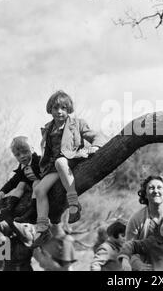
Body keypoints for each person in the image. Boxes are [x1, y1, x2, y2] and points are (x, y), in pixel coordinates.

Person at [32, 90, 107, 247]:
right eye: (55, 108)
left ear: (68, 110)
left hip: (72, 159)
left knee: (61, 162)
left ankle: (74, 204)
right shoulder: (48, 128)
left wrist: (94, 147)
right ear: (50, 110)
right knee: (39, 190)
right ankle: (43, 228)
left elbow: (97, 136)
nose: (59, 111)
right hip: (53, 166)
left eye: (63, 108)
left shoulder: (77, 123)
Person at [125, 175, 163, 270]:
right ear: (145, 194)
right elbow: (130, 249)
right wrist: (138, 264)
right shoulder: (136, 219)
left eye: (159, 187)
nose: (156, 191)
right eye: (151, 188)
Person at [0, 136, 42, 222]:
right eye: (18, 155)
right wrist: (3, 191)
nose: (22, 156)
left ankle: (32, 210)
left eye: (25, 152)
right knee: (21, 184)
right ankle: (9, 208)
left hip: (40, 184)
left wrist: (39, 176)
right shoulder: (22, 167)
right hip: (28, 186)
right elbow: (13, 181)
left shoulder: (39, 161)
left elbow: (47, 170)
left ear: (32, 150)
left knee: (36, 183)